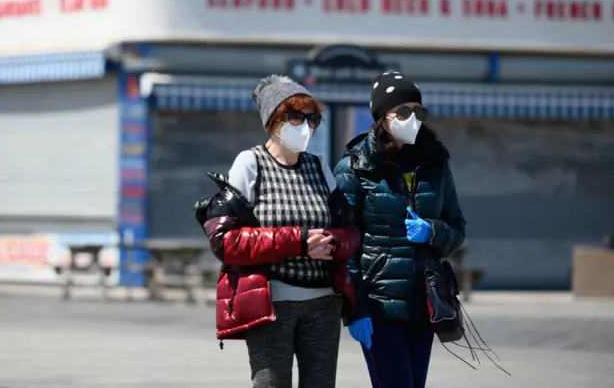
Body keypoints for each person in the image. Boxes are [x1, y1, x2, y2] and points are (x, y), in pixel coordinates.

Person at [199, 74, 362, 388]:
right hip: (272, 302)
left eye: (312, 119)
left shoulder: (319, 166)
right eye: (296, 117)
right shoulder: (250, 163)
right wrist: (300, 242)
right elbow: (225, 241)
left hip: (324, 302)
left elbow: (351, 230)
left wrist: (332, 242)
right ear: (272, 121)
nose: (306, 127)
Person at [333, 72, 466, 388]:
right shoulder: (354, 168)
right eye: (403, 112)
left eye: (418, 111)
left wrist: (432, 232)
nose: (412, 119)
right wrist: (355, 310)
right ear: (381, 117)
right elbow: (343, 245)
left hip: (424, 305)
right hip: (379, 307)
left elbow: (457, 228)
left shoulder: (435, 162)